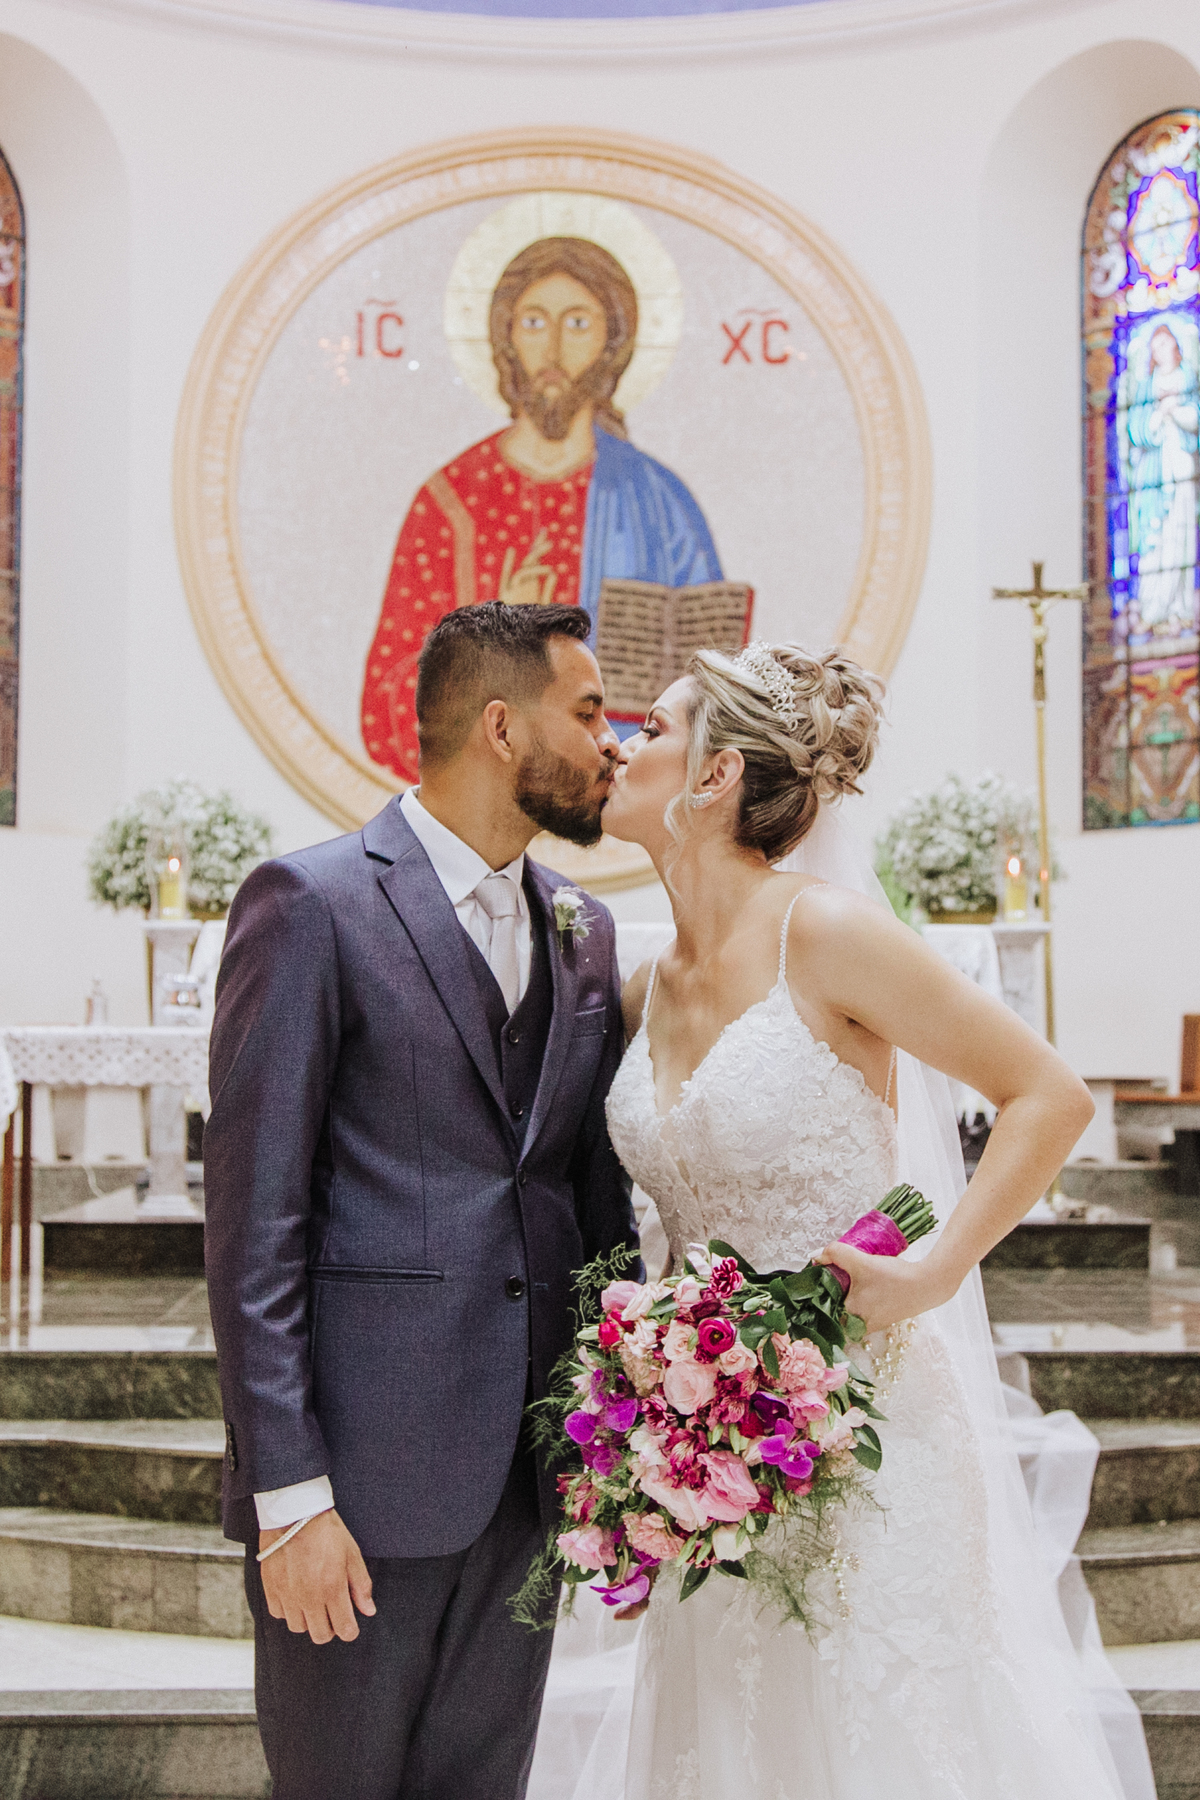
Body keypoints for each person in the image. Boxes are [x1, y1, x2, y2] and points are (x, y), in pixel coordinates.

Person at [552, 639, 1154, 1800]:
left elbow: (1049, 1095)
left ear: (717, 774)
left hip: (868, 1432)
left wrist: (935, 1270)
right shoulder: (640, 987)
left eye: (654, 728)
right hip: (704, 1452)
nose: (622, 745)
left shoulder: (823, 935)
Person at [204, 600, 639, 1800]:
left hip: (527, 1484)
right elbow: (254, 1230)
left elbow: (592, 1208)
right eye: (589, 712)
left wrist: (614, 1438)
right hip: (356, 1486)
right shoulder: (310, 903)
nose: (612, 742)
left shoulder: (586, 929)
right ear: (502, 727)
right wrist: (290, 1500)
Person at [361, 236, 722, 783]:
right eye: (533, 323)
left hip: (624, 793)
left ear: (612, 342)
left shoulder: (659, 503)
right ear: (506, 337)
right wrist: (495, 651)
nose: (552, 350)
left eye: (577, 324)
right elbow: (385, 705)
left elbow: (714, 689)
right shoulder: (450, 503)